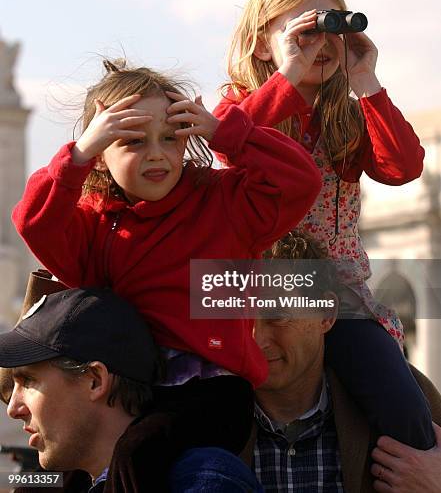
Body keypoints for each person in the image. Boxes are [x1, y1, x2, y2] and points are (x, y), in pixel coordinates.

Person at [10, 59, 321, 476]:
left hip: (211, 390)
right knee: (52, 477)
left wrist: (224, 131)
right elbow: (34, 222)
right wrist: (79, 153)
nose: (156, 155)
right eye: (133, 141)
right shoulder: (96, 222)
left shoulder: (221, 202)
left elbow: (301, 181)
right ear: (101, 159)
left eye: (170, 138)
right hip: (131, 391)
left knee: (135, 456)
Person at [212, 0, 434, 450]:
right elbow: (230, 144)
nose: (322, 43)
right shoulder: (240, 105)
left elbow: (402, 167)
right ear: (259, 43)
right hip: (254, 291)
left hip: (337, 294)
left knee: (402, 406)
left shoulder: (346, 117)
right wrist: (288, 77)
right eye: (305, 31)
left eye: (334, 27)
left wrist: (366, 81)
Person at [0, 287, 264, 492]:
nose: (13, 408)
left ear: (95, 380)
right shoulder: (62, 484)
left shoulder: (200, 480)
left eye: (29, 381)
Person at [239, 232, 441, 492]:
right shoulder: (202, 422)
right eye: (241, 320)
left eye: (277, 317)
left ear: (326, 315)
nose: (257, 340)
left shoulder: (406, 402)